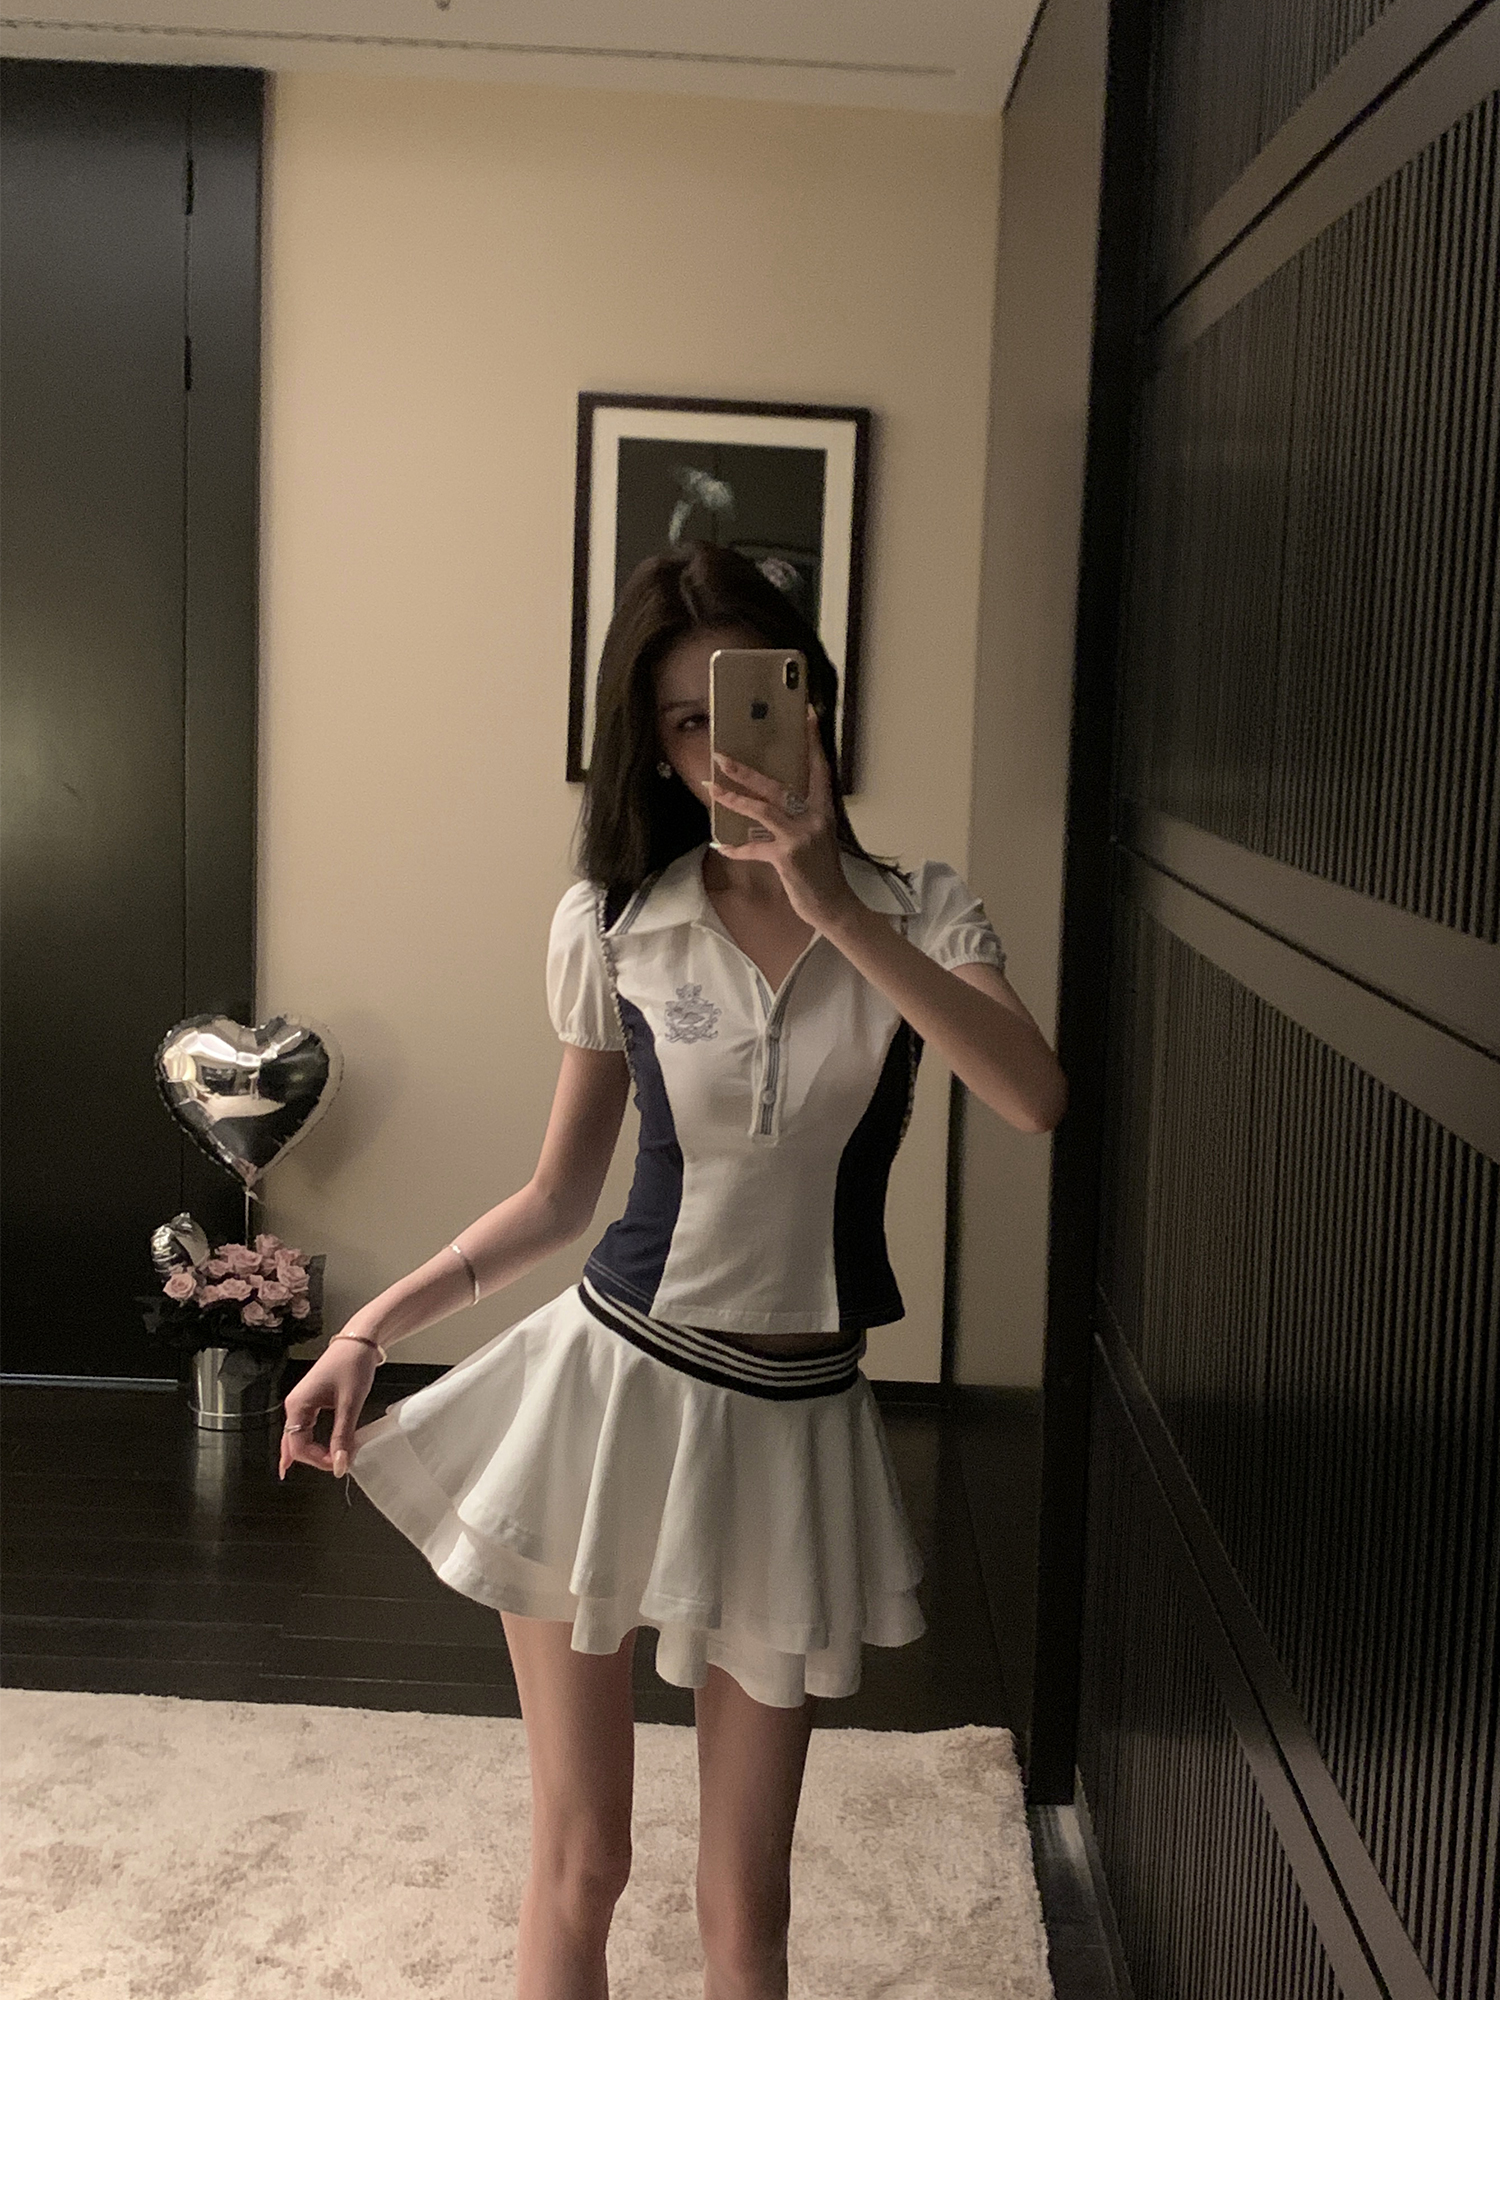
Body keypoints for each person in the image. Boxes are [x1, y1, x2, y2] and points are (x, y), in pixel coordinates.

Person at [279, 542, 1068, 2000]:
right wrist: (368, 1329)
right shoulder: (615, 923)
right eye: (685, 721)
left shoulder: (921, 910)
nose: (723, 748)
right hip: (609, 1400)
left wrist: (836, 907)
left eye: (747, 704)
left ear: (812, 703)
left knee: (747, 1907)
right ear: (650, 743)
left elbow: (1032, 1095)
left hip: (798, 1432)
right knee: (584, 1863)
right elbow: (559, 1196)